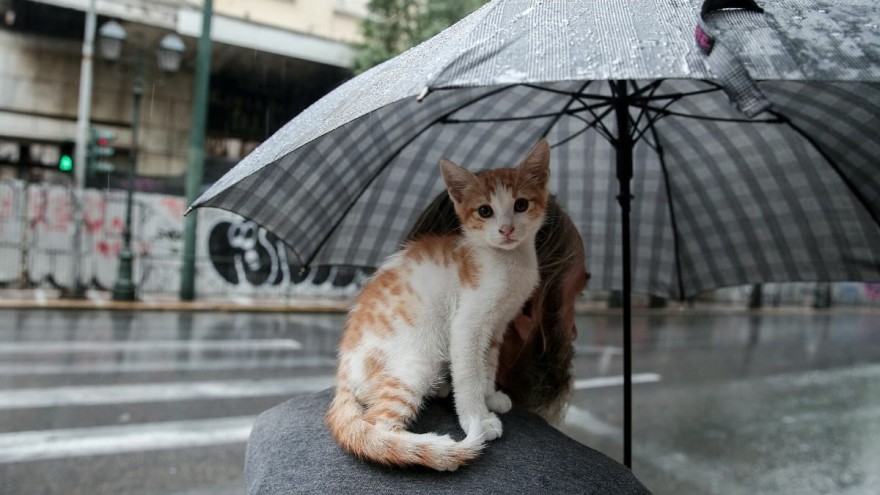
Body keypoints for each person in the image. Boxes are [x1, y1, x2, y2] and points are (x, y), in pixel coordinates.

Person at [245, 193, 650, 494]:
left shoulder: (272, 432)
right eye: (573, 300)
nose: (574, 331)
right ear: (529, 307)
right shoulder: (601, 485)